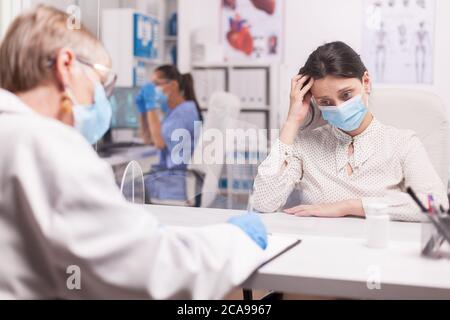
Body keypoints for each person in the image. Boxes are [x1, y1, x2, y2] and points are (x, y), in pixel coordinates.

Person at [0, 5, 268, 299]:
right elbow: (153, 269)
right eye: (102, 84)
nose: (103, 99)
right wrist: (237, 238)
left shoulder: (20, 137)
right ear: (66, 65)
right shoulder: (49, 145)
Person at [253, 41, 448, 222]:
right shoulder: (304, 144)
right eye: (325, 102)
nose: (338, 108)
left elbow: (437, 205)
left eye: (346, 95)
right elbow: (264, 203)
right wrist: (291, 121)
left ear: (365, 82)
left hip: (380, 250)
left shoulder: (403, 143)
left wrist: (349, 207)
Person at [136, 65, 203, 204]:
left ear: (173, 85)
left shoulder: (185, 112)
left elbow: (159, 143)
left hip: (174, 186)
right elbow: (149, 139)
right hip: (167, 180)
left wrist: (151, 105)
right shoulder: (174, 112)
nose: (153, 89)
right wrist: (143, 111)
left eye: (156, 84)